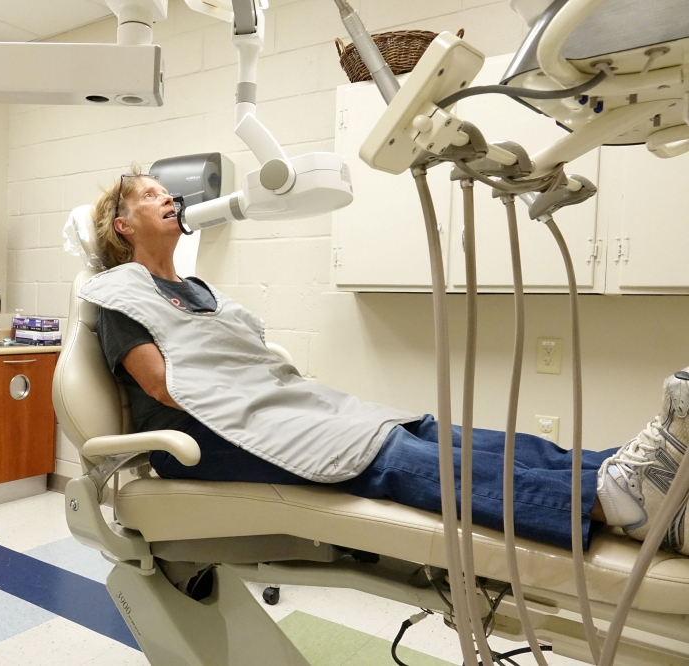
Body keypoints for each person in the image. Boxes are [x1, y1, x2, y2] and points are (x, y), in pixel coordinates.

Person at [81, 170, 689, 556]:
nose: (169, 197)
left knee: (421, 429)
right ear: (122, 224)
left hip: (271, 410)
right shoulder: (118, 293)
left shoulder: (199, 288)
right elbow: (162, 384)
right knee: (390, 457)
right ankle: (608, 502)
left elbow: (247, 361)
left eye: (166, 190)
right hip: (206, 436)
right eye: (150, 195)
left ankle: (633, 471)